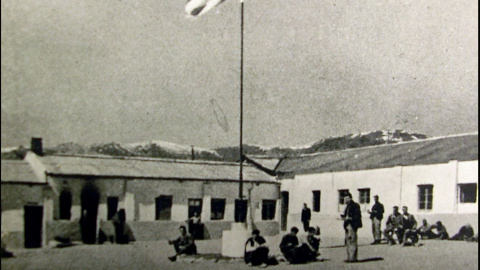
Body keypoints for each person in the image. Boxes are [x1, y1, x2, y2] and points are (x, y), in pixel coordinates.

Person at [340, 192, 362, 262]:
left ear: (350, 198)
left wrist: (350, 218)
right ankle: (350, 257)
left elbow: (358, 216)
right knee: (348, 241)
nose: (345, 200)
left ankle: (353, 258)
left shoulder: (355, 205)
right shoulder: (348, 206)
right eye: (344, 199)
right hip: (347, 225)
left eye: (346, 198)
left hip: (352, 225)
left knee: (352, 240)